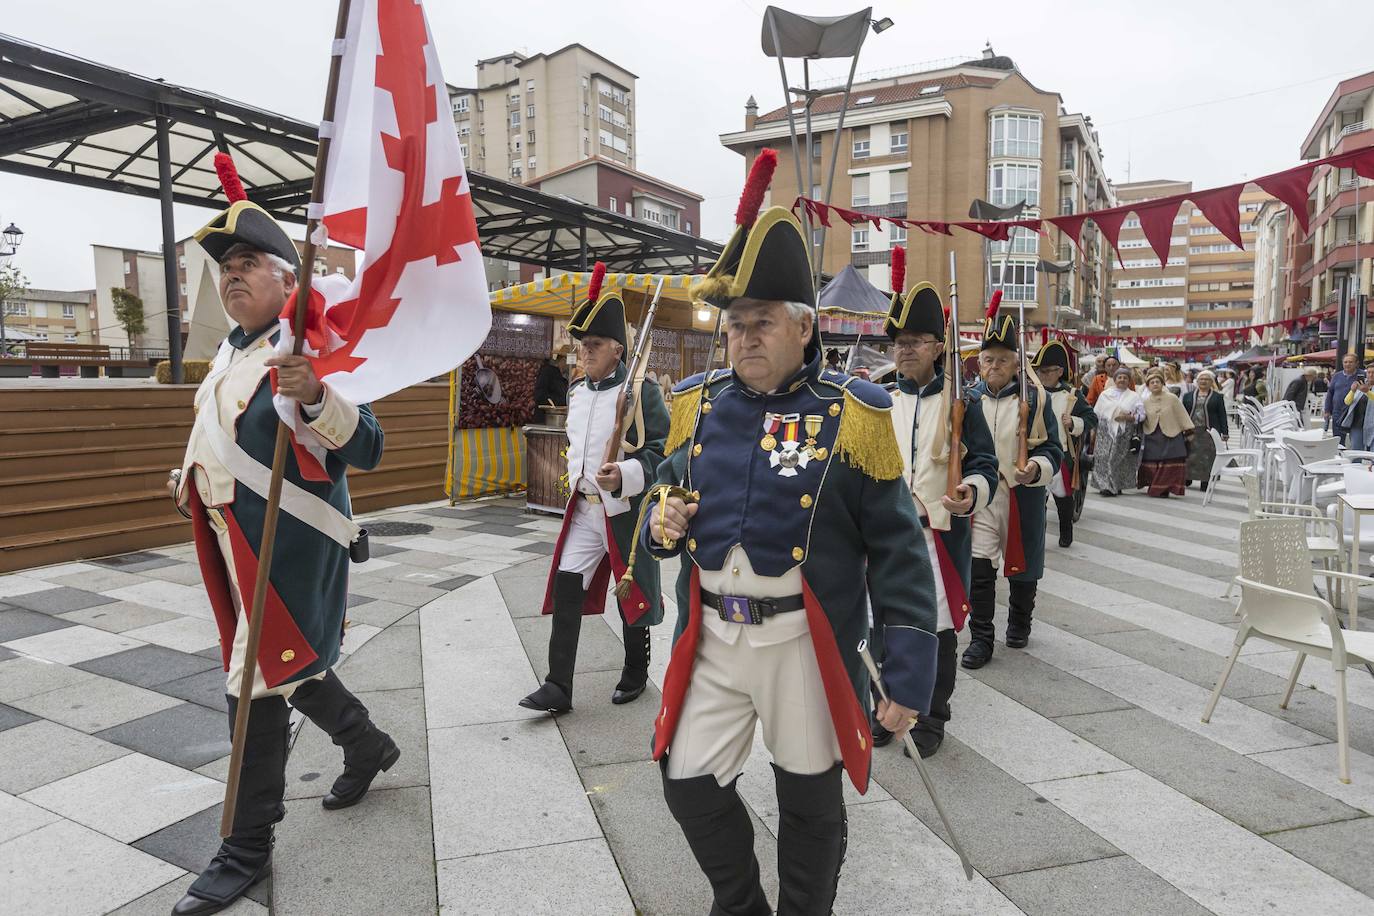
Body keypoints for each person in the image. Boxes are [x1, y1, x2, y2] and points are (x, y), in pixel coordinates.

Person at [637, 153, 940, 914]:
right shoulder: (698, 405)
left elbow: (900, 549)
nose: (744, 339)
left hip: (804, 643)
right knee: (686, 783)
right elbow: (669, 490)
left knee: (809, 800)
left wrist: (906, 677)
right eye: (735, 325)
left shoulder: (853, 413)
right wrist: (663, 515)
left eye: (761, 322)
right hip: (711, 636)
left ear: (803, 328)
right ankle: (741, 905)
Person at [167, 156, 396, 916]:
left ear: (285, 278)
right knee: (285, 666)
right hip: (236, 538)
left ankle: (246, 848)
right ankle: (366, 743)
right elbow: (223, 433)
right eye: (225, 268)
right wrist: (191, 477)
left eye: (248, 265)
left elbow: (366, 444)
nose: (232, 278)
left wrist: (318, 393)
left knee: (253, 681)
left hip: (290, 544)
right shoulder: (232, 351)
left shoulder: (309, 346)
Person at [519, 263, 669, 714]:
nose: (585, 352)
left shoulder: (642, 392)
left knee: (632, 590)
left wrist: (624, 475)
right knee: (568, 586)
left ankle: (636, 672)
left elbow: (662, 454)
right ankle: (557, 685)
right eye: (584, 345)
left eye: (596, 345)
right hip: (584, 508)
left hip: (623, 510)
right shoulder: (579, 391)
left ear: (618, 349)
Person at [881, 263, 998, 757]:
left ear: (938, 346)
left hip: (937, 534)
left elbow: (987, 464)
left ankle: (932, 716)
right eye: (900, 341)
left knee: (940, 628)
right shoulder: (877, 401)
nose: (906, 349)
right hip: (885, 536)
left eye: (918, 340)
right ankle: (886, 707)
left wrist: (971, 490)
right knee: (883, 623)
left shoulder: (963, 403)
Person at [962, 307, 1063, 669]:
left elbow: (1053, 448)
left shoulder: (1035, 399)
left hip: (1021, 494)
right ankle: (981, 637)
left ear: (1015, 364)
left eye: (1001, 361)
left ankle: (1020, 621)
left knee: (1023, 562)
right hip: (983, 496)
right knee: (979, 564)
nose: (993, 367)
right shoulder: (968, 400)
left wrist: (1036, 467)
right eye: (987, 360)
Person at [1033, 339, 1097, 547]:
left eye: (1046, 371)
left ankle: (1066, 532)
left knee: (1063, 500)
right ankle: (1038, 538)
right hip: (1037, 454)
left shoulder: (1072, 395)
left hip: (1061, 454)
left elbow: (1091, 419)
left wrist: (1074, 423)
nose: (1042, 375)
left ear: (1059, 371)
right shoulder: (1032, 392)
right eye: (1039, 371)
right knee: (1037, 501)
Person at [1138, 368, 1194, 498]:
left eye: (1158, 381)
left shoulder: (1172, 398)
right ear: (1148, 386)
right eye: (1152, 382)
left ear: (1163, 384)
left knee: (1169, 462)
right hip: (1152, 434)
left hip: (1171, 434)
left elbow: (1182, 414)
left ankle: (1164, 488)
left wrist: (1189, 430)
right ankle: (1154, 485)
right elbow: (1141, 417)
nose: (1155, 384)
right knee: (1152, 462)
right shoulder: (1145, 401)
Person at [1091, 367, 1145, 497]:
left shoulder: (1134, 396)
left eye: (1125, 378)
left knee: (1119, 458)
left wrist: (1128, 417)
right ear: (1115, 380)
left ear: (1129, 381)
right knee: (1103, 457)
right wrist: (1093, 430)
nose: (1122, 380)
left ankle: (1117, 484)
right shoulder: (1105, 394)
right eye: (1119, 377)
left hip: (1124, 431)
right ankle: (1105, 486)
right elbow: (1096, 413)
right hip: (1105, 430)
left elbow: (1142, 415)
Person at [1182, 369, 1227, 491]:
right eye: (1201, 379)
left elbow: (1222, 414)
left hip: (1209, 431)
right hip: (1191, 430)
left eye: (1207, 379)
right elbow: (1183, 413)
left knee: (1207, 457)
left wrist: (1225, 432)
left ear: (1211, 381)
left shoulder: (1217, 397)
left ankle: (1205, 481)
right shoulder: (1188, 396)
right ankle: (1187, 478)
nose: (1203, 381)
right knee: (1190, 455)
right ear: (1197, 381)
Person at [1326, 352, 1362, 441]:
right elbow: (1330, 393)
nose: (1347, 364)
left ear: (1357, 363)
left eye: (1350, 362)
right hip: (1338, 412)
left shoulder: (1362, 375)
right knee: (1337, 439)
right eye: (1345, 362)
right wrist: (1327, 410)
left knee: (1356, 440)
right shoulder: (1337, 376)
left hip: (1356, 413)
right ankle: (1339, 454)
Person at [533, 353, 569, 422]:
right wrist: (562, 402)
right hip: (545, 419)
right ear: (563, 360)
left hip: (557, 419)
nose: (572, 366)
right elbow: (540, 395)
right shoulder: (548, 372)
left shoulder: (563, 379)